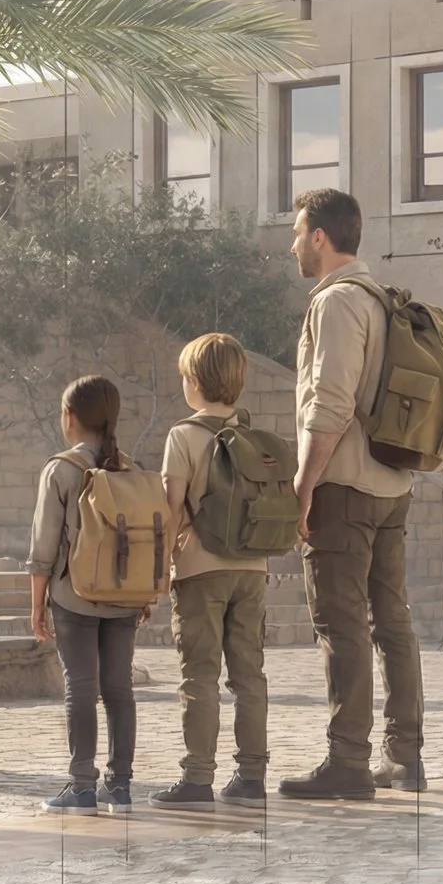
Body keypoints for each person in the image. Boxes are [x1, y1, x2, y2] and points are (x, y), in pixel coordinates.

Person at [277, 188, 426, 801]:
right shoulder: (384, 300)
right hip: (393, 483)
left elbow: (330, 404)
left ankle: (347, 762)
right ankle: (405, 757)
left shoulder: (337, 303)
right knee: (393, 620)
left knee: (341, 625)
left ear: (319, 236)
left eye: (297, 231)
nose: (291, 243)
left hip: (344, 486)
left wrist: (303, 484)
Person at [148, 333, 270, 811]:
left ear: (194, 382)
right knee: (249, 674)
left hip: (200, 569)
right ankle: (252, 775)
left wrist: (159, 574)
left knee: (199, 675)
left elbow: (170, 511)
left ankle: (197, 778)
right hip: (253, 567)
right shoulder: (254, 436)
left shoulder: (184, 435)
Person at [28, 374, 149, 815]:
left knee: (80, 687)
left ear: (70, 417)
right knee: (120, 688)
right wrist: (145, 592)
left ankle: (81, 787)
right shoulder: (130, 469)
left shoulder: (60, 469)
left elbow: (43, 549)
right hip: (124, 596)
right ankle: (120, 787)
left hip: (73, 595)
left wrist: (36, 604)